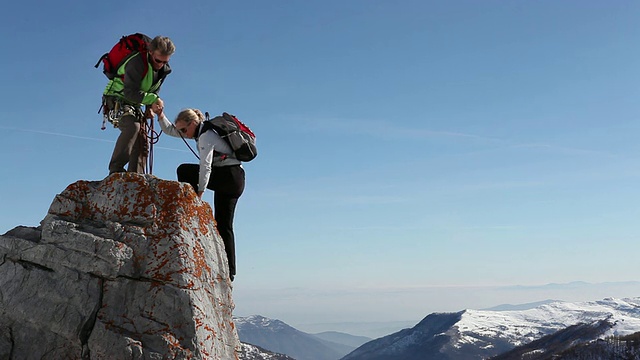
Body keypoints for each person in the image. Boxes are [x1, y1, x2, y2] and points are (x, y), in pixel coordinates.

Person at [153, 107, 246, 281]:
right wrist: (160, 115)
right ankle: (230, 271)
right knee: (224, 225)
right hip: (235, 178)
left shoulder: (206, 136)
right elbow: (170, 130)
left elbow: (206, 166)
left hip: (228, 177)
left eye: (184, 129)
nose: (182, 133)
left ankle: (188, 204)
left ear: (193, 123)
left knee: (184, 170)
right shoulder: (202, 132)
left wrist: (199, 194)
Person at [104, 35, 175, 174]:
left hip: (134, 105)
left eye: (165, 61)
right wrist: (153, 100)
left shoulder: (163, 70)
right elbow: (130, 92)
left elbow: (153, 90)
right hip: (116, 99)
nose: (160, 64)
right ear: (150, 52)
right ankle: (116, 171)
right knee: (132, 127)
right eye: (158, 60)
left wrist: (150, 108)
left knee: (142, 140)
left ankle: (136, 177)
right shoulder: (137, 62)